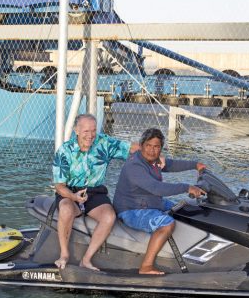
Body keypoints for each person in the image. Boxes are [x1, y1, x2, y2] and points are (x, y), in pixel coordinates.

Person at [113, 128, 206, 275]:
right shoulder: (134, 166)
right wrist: (186, 187)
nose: (152, 150)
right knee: (167, 223)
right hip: (131, 209)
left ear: (160, 148)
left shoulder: (153, 160)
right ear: (141, 145)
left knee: (183, 208)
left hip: (148, 202)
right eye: (148, 145)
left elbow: (170, 164)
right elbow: (157, 188)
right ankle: (146, 266)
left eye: (156, 147)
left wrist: (195, 165)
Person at [52, 113, 139, 271]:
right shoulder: (65, 151)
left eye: (93, 130)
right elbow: (59, 186)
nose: (90, 135)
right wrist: (73, 197)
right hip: (70, 192)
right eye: (86, 131)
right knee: (65, 208)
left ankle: (86, 260)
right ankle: (64, 254)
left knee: (109, 216)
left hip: (95, 192)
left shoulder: (103, 142)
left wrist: (153, 154)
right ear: (76, 131)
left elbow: (130, 147)